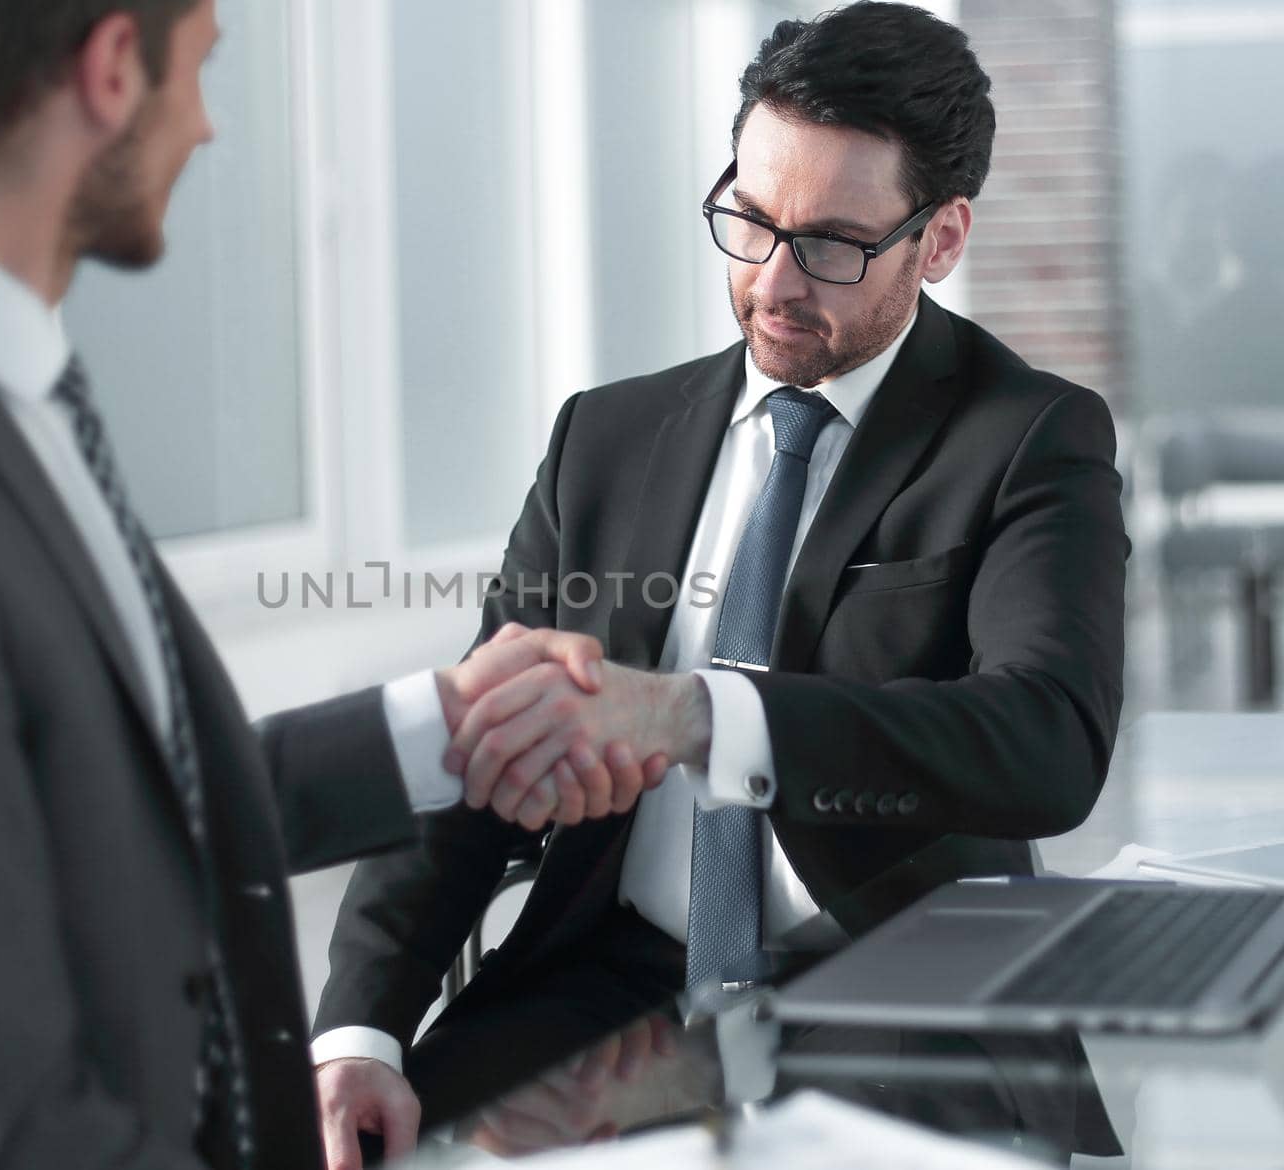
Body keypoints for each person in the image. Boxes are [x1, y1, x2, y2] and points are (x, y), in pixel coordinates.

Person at [0, 2, 662, 1168]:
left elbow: (112, 804)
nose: (204, 128)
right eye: (198, 70)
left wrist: (441, 728)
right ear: (109, 69)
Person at [312, 3, 1129, 1164]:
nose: (774, 282)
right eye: (749, 221)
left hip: (890, 992)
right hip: (610, 981)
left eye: (833, 244)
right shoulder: (605, 438)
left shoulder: (1027, 434)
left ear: (939, 238)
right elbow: (476, 751)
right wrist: (360, 1033)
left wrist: (702, 716)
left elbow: (1046, 742)